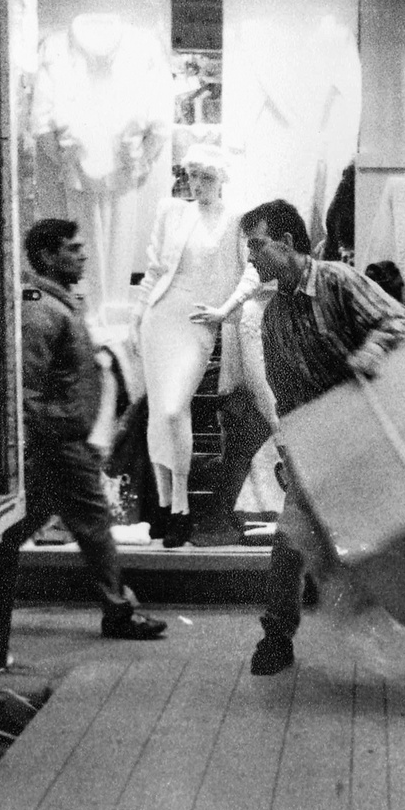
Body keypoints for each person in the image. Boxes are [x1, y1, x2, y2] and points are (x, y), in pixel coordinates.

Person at [240, 199, 405, 678]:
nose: (251, 258)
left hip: (373, 433)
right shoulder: (273, 317)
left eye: (257, 245)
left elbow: (396, 320)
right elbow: (284, 390)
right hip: (320, 444)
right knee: (289, 544)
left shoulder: (337, 282)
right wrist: (291, 443)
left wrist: (369, 350)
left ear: (286, 242)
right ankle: (276, 638)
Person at [0, 219, 166, 670]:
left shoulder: (60, 304)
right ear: (47, 257)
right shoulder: (42, 311)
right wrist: (57, 432)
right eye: (72, 248)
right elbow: (24, 391)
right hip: (62, 447)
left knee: (19, 533)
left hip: (65, 443)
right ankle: (118, 611)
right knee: (94, 526)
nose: (82, 255)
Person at [130, 144, 273, 548]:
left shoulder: (237, 220)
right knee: (159, 412)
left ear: (222, 179)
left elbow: (252, 272)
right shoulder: (171, 212)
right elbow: (156, 270)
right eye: (192, 176)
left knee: (175, 408)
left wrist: (225, 309)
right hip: (161, 317)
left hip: (198, 322)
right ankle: (167, 510)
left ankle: (180, 506)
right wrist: (136, 317)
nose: (197, 184)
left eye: (206, 177)